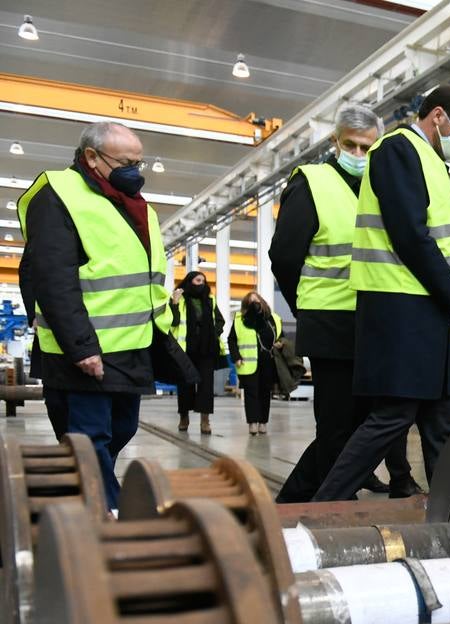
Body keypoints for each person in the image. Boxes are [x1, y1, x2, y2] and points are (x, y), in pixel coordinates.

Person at [313, 85, 450, 501]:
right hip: (402, 306)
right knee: (392, 415)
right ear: (438, 116)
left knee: (443, 416)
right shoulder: (398, 150)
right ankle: (320, 506)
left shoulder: (431, 161)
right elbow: (410, 235)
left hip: (428, 309)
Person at [17, 121, 181, 509]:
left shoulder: (136, 207)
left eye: (139, 163)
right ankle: (109, 516)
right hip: (83, 349)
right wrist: (80, 345)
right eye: (126, 162)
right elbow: (52, 277)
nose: (135, 172)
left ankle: (65, 494)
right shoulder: (58, 195)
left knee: (120, 428)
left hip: (131, 346)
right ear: (91, 156)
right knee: (90, 440)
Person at [270, 104, 418, 500]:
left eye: (367, 147)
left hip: (372, 324)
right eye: (350, 145)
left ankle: (304, 499)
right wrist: (307, 307)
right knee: (336, 425)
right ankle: (313, 503)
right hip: (329, 322)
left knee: (363, 424)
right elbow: (284, 256)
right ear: (335, 142)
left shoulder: (379, 189)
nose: (358, 154)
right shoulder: (312, 182)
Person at [170, 270, 226, 434]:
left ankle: (205, 420)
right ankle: (184, 417)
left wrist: (213, 334)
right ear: (189, 281)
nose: (201, 283)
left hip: (206, 350)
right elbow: (172, 321)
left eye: (203, 280)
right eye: (197, 280)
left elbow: (220, 320)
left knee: (206, 387)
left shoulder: (210, 299)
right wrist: (174, 302)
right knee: (185, 385)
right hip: (186, 349)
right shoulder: (179, 299)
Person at [229, 291, 282, 435]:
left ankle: (263, 423)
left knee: (265, 393)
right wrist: (236, 357)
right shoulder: (240, 319)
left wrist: (279, 343)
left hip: (268, 361)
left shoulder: (273, 319)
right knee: (251, 393)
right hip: (248, 362)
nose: (255, 304)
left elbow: (280, 337)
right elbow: (231, 339)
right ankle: (252, 423)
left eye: (257, 301)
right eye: (251, 302)